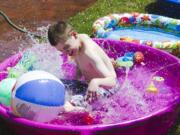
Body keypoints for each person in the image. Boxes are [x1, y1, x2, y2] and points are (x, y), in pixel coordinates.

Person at [48, 21, 117, 103]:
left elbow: (113, 82)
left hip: (106, 89)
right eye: (61, 51)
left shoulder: (89, 53)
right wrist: (75, 80)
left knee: (71, 104)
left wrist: (95, 82)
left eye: (67, 47)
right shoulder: (76, 43)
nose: (66, 53)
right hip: (89, 85)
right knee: (57, 84)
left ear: (74, 35)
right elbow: (82, 65)